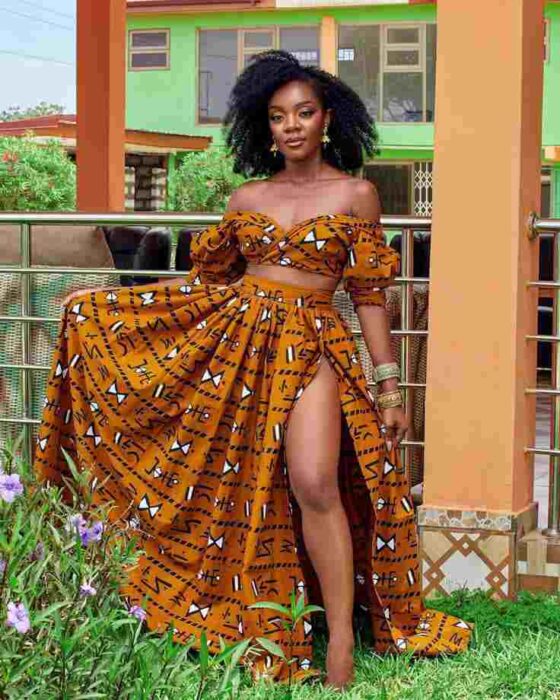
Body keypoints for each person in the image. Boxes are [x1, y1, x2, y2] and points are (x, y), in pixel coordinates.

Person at [34, 50, 471, 691]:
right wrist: (105, 302)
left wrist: (387, 384)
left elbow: (370, 295)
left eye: (304, 112)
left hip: (313, 343)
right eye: (277, 116)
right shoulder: (248, 197)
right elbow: (206, 282)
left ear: (327, 119)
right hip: (237, 346)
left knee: (315, 481)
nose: (291, 125)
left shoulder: (356, 195)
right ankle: (248, 604)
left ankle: (340, 638)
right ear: (263, 126)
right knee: (235, 484)